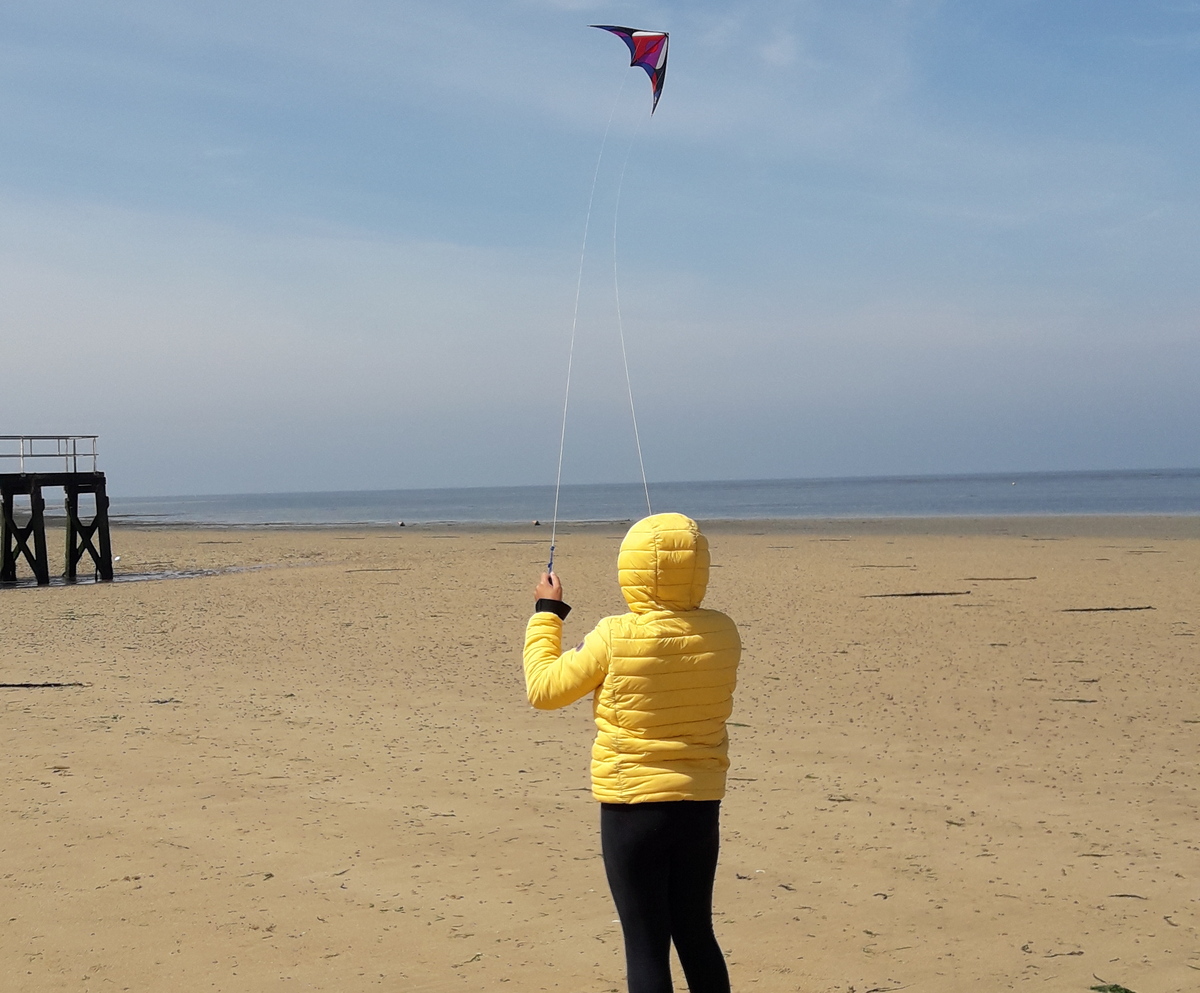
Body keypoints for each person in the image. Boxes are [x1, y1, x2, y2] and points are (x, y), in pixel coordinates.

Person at [523, 512, 741, 993]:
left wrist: (546, 612)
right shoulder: (724, 632)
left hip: (632, 808)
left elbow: (543, 689)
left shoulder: (614, 635)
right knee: (695, 933)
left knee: (645, 945)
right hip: (699, 805)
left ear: (631, 569)